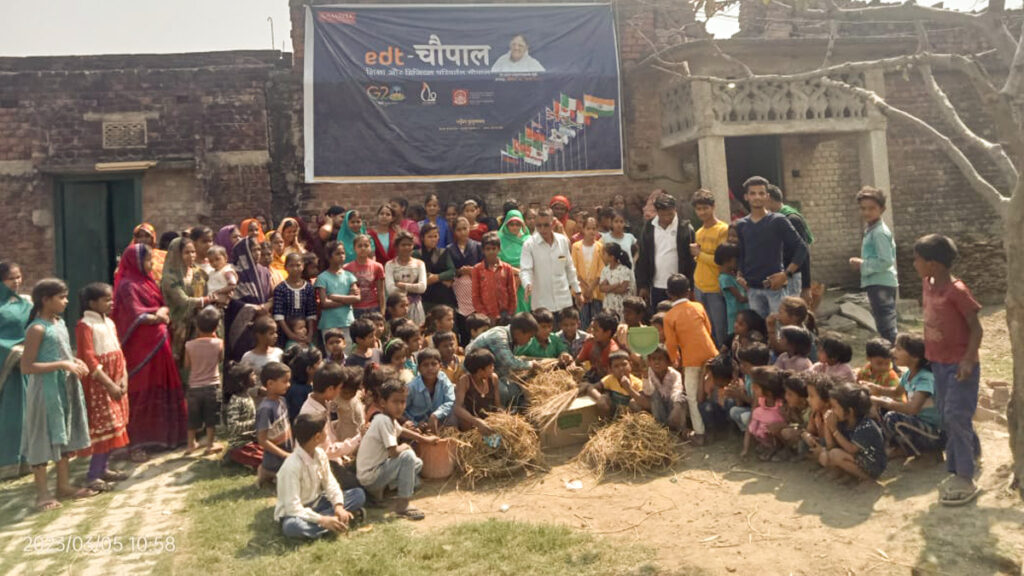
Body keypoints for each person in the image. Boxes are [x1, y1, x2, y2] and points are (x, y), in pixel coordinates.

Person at [915, 233, 983, 505]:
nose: (914, 264)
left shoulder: (957, 290)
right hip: (938, 363)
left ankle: (965, 477)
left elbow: (976, 328)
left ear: (933, 264)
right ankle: (961, 463)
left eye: (918, 259)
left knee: (956, 415)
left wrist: (968, 359)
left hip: (959, 365)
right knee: (946, 414)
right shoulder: (927, 284)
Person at [21, 279, 94, 510]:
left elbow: (61, 353)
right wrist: (62, 364)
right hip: (44, 391)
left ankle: (64, 485)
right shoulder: (37, 328)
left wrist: (74, 361)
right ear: (45, 299)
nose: (66, 301)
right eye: (61, 297)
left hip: (64, 388)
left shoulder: (59, 323)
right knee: (42, 436)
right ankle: (42, 494)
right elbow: (27, 366)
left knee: (63, 435)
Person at [113, 244, 187, 459]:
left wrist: (161, 312)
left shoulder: (148, 282)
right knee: (143, 392)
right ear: (135, 262)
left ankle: (168, 437)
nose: (150, 265)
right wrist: (158, 315)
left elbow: (162, 305)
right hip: (141, 348)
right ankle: (138, 443)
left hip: (160, 343)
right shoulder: (127, 286)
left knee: (164, 386)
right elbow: (135, 314)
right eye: (146, 261)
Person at [356, 378, 439, 520]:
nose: (400, 406)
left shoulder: (389, 419)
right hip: (370, 477)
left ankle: (381, 493)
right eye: (395, 402)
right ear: (383, 403)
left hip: (375, 472)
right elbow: (393, 452)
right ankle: (403, 505)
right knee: (407, 457)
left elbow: (403, 431)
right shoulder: (383, 420)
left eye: (403, 402)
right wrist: (405, 446)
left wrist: (426, 440)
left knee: (417, 463)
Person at [75, 282, 130, 493]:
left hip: (117, 380)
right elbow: (89, 358)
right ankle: (93, 474)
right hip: (101, 383)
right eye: (106, 299)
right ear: (92, 303)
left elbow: (118, 350)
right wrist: (109, 384)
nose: (111, 303)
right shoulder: (85, 325)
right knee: (104, 428)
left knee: (116, 424)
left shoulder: (110, 323)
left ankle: (104, 468)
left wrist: (123, 377)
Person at [275, 412, 366, 540]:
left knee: (358, 494)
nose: (327, 434)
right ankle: (334, 523)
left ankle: (333, 522)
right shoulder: (291, 466)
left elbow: (330, 483)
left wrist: (338, 506)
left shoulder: (320, 454)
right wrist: (322, 520)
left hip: (318, 503)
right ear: (317, 437)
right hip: (296, 513)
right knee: (291, 527)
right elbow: (293, 508)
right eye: (325, 431)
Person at [733, 177, 808, 317]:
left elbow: (801, 248)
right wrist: (739, 274)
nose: (757, 197)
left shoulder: (778, 220)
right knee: (758, 333)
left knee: (781, 331)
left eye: (761, 193)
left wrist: (786, 274)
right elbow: (742, 253)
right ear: (746, 197)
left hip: (775, 288)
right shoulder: (741, 224)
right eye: (753, 193)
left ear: (767, 196)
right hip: (752, 290)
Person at [663, 274, 718, 445]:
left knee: (692, 397)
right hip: (711, 353)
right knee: (713, 391)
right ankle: (720, 427)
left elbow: (671, 344)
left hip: (691, 359)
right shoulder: (698, 306)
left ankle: (700, 433)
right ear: (689, 292)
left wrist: (675, 360)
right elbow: (708, 329)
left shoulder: (669, 316)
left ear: (668, 294)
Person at [872, 333, 943, 459]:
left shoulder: (924, 378)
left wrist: (880, 401)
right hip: (920, 424)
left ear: (915, 357)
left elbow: (912, 408)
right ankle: (900, 447)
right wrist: (876, 389)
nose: (893, 351)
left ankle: (927, 454)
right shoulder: (909, 374)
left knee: (893, 418)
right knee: (885, 409)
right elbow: (896, 392)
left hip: (935, 431)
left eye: (898, 349)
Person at [849, 186, 899, 344]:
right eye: (863, 208)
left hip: (881, 284)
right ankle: (891, 364)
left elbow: (886, 261)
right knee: (883, 326)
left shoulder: (879, 233)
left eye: (872, 208)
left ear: (882, 209)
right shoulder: (871, 229)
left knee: (886, 327)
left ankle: (893, 365)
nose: (866, 212)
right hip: (877, 283)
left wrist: (862, 264)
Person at [298, 364, 361, 487]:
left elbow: (329, 435)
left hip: (330, 459)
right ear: (330, 389)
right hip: (318, 465)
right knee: (358, 489)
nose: (340, 392)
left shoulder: (322, 404)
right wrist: (358, 438)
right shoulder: (313, 414)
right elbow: (327, 451)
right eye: (340, 388)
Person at [635, 192, 696, 314]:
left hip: (680, 287)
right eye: (663, 215)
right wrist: (643, 285)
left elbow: (691, 260)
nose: (667, 218)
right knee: (660, 320)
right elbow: (643, 257)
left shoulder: (685, 229)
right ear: (657, 212)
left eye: (670, 214)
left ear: (675, 210)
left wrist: (691, 286)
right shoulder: (649, 228)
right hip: (657, 285)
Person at [161, 237, 216, 371]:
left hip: (200, 324)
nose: (191, 256)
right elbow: (183, 301)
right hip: (178, 327)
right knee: (180, 364)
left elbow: (208, 290)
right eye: (187, 253)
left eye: (193, 252)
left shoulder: (199, 273)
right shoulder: (170, 277)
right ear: (177, 255)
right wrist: (206, 300)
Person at [465, 312, 540, 407]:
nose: (529, 341)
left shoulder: (512, 340)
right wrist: (531, 364)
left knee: (517, 390)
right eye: (529, 337)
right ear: (518, 332)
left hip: (491, 372)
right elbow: (509, 363)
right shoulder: (499, 336)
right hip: (476, 374)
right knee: (503, 392)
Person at [819, 384, 887, 482]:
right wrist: (827, 425)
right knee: (826, 456)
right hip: (858, 458)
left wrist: (834, 430)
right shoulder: (843, 422)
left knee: (835, 454)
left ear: (850, 411)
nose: (832, 411)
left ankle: (868, 479)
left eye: (835, 407)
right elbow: (830, 446)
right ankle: (850, 475)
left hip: (873, 464)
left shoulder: (866, 426)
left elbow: (852, 449)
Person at [0, 262, 31, 479]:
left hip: (30, 363)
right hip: (8, 368)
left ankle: (30, 460)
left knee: (30, 411)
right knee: (12, 414)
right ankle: (9, 462)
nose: (17, 282)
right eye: (12, 278)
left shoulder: (27, 301)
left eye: (19, 277)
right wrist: (14, 352)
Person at [520, 208, 581, 314]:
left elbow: (569, 268)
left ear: (553, 224)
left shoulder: (562, 241)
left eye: (546, 225)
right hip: (542, 305)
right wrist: (527, 284)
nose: (542, 229)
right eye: (539, 225)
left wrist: (578, 291)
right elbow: (525, 269)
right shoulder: (529, 244)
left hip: (564, 302)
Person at [689, 189, 730, 346]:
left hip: (715, 287)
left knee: (720, 330)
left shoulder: (722, 229)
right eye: (699, 209)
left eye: (705, 208)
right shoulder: (699, 232)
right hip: (700, 286)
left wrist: (699, 254)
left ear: (713, 207)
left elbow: (722, 261)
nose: (702, 212)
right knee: (706, 330)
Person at [184, 306, 225, 456]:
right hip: (212, 386)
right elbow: (220, 359)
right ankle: (210, 444)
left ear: (197, 325)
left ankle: (190, 445)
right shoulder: (219, 343)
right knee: (211, 418)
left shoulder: (189, 345)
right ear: (216, 327)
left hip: (194, 387)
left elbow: (187, 365)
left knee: (192, 418)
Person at [225, 237, 274, 362]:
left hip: (263, 320)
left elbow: (271, 294)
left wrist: (267, 305)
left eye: (258, 249)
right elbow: (231, 300)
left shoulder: (264, 271)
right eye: (253, 250)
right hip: (243, 327)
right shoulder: (234, 273)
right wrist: (252, 308)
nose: (257, 253)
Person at [766, 185, 813, 300]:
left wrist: (806, 286)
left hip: (792, 276)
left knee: (792, 312)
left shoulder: (791, 219)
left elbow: (803, 252)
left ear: (769, 199)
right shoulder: (771, 219)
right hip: (778, 276)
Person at [256, 361, 294, 487]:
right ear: (270, 384)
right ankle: (266, 471)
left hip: (287, 453)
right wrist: (283, 454)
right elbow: (262, 440)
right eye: (285, 381)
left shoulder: (282, 400)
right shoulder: (266, 409)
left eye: (289, 381)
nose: (288, 385)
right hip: (275, 459)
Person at [315, 241, 359, 345]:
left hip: (347, 321)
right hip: (329, 323)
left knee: (348, 353)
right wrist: (347, 301)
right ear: (329, 257)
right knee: (332, 355)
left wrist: (335, 297)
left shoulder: (349, 276)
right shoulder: (322, 278)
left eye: (343, 253)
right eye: (337, 253)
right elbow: (324, 303)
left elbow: (356, 298)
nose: (341, 256)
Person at [449, 216, 484, 343]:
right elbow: (448, 270)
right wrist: (459, 271)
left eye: (465, 228)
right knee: (462, 323)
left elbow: (483, 267)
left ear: (469, 229)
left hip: (474, 289)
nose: (462, 232)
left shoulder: (477, 246)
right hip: (458, 291)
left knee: (476, 323)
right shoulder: (449, 249)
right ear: (454, 232)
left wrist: (472, 271)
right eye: (459, 229)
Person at [404, 348, 455, 433]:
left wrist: (436, 415)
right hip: (417, 427)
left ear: (440, 366)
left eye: (434, 364)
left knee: (455, 415)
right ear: (419, 369)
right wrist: (415, 423)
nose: (430, 368)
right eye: (425, 365)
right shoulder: (412, 387)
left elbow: (451, 401)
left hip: (439, 423)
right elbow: (402, 410)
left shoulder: (443, 379)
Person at [273, 253, 317, 351]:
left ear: (303, 266)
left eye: (298, 265)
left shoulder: (308, 288)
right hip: (284, 333)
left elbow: (311, 313)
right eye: (291, 265)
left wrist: (309, 334)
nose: (295, 268)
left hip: (304, 333)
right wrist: (291, 335)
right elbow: (279, 316)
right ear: (286, 267)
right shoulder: (280, 289)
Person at [741, 367, 787, 460]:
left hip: (778, 433)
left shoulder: (781, 405)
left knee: (773, 429)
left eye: (756, 387)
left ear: (768, 392)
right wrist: (745, 448)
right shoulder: (760, 401)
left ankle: (781, 449)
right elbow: (750, 424)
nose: (752, 389)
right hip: (763, 434)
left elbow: (788, 422)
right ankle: (766, 446)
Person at [384, 231, 428, 326]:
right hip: (396, 308)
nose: (407, 248)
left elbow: (422, 287)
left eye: (409, 245)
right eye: (403, 245)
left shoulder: (419, 264)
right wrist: (413, 287)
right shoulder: (390, 265)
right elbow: (391, 289)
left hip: (415, 306)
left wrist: (402, 285)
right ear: (396, 247)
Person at [472, 231, 517, 322]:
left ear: (499, 249)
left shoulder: (507, 268)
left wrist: (510, 312)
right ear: (483, 250)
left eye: (494, 248)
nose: (491, 252)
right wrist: (483, 314)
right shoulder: (477, 269)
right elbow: (475, 295)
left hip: (505, 315)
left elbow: (512, 292)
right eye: (488, 249)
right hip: (486, 316)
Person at [639, 345, 686, 432]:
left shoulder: (675, 374)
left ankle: (678, 428)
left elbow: (677, 391)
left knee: (680, 398)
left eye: (660, 359)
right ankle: (660, 428)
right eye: (653, 359)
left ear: (668, 362)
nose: (656, 362)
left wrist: (676, 408)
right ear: (649, 362)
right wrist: (645, 376)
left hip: (671, 406)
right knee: (654, 394)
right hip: (658, 407)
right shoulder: (648, 373)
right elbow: (648, 392)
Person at [571, 216, 604, 330]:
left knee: (597, 322)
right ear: (583, 229)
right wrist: (585, 288)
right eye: (588, 228)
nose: (591, 231)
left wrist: (592, 287)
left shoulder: (600, 247)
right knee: (583, 321)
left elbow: (601, 269)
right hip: (581, 291)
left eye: (594, 228)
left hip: (596, 290)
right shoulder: (576, 247)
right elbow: (574, 268)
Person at [416, 223, 457, 313]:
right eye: (429, 237)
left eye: (435, 236)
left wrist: (437, 277)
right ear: (422, 238)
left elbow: (452, 271)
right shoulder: (416, 254)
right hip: (424, 299)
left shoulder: (443, 252)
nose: (433, 239)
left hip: (444, 298)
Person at [497, 209, 530, 313]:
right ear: (506, 224)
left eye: (518, 224)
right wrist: (516, 272)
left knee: (525, 310)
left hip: (525, 280)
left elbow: (533, 260)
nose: (515, 227)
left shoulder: (528, 239)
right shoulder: (500, 239)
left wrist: (522, 274)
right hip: (507, 279)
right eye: (511, 224)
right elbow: (497, 261)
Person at [345, 234, 386, 319]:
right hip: (356, 309)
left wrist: (382, 312)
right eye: (359, 246)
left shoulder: (377, 266)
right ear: (354, 248)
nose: (363, 248)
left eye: (366, 245)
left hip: (373, 308)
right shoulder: (347, 268)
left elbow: (381, 292)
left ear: (371, 247)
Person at [715, 243, 748, 340]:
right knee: (736, 335)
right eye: (735, 260)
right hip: (736, 312)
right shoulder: (725, 278)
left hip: (741, 311)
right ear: (727, 261)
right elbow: (740, 299)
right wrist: (751, 291)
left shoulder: (732, 276)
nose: (737, 262)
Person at [576, 312, 620, 383]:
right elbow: (577, 362)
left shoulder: (613, 352)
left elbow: (612, 379)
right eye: (593, 329)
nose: (592, 332)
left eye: (596, 330)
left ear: (608, 333)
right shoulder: (590, 343)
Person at [284, 346, 325, 423]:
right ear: (309, 369)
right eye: (319, 363)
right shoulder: (297, 391)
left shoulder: (313, 384)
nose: (323, 364)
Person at [598, 243, 635, 319]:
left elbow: (623, 289)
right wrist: (616, 285)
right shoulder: (605, 270)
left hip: (621, 306)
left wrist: (608, 288)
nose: (602, 255)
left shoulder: (624, 270)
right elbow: (601, 288)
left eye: (604, 254)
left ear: (611, 257)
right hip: (609, 305)